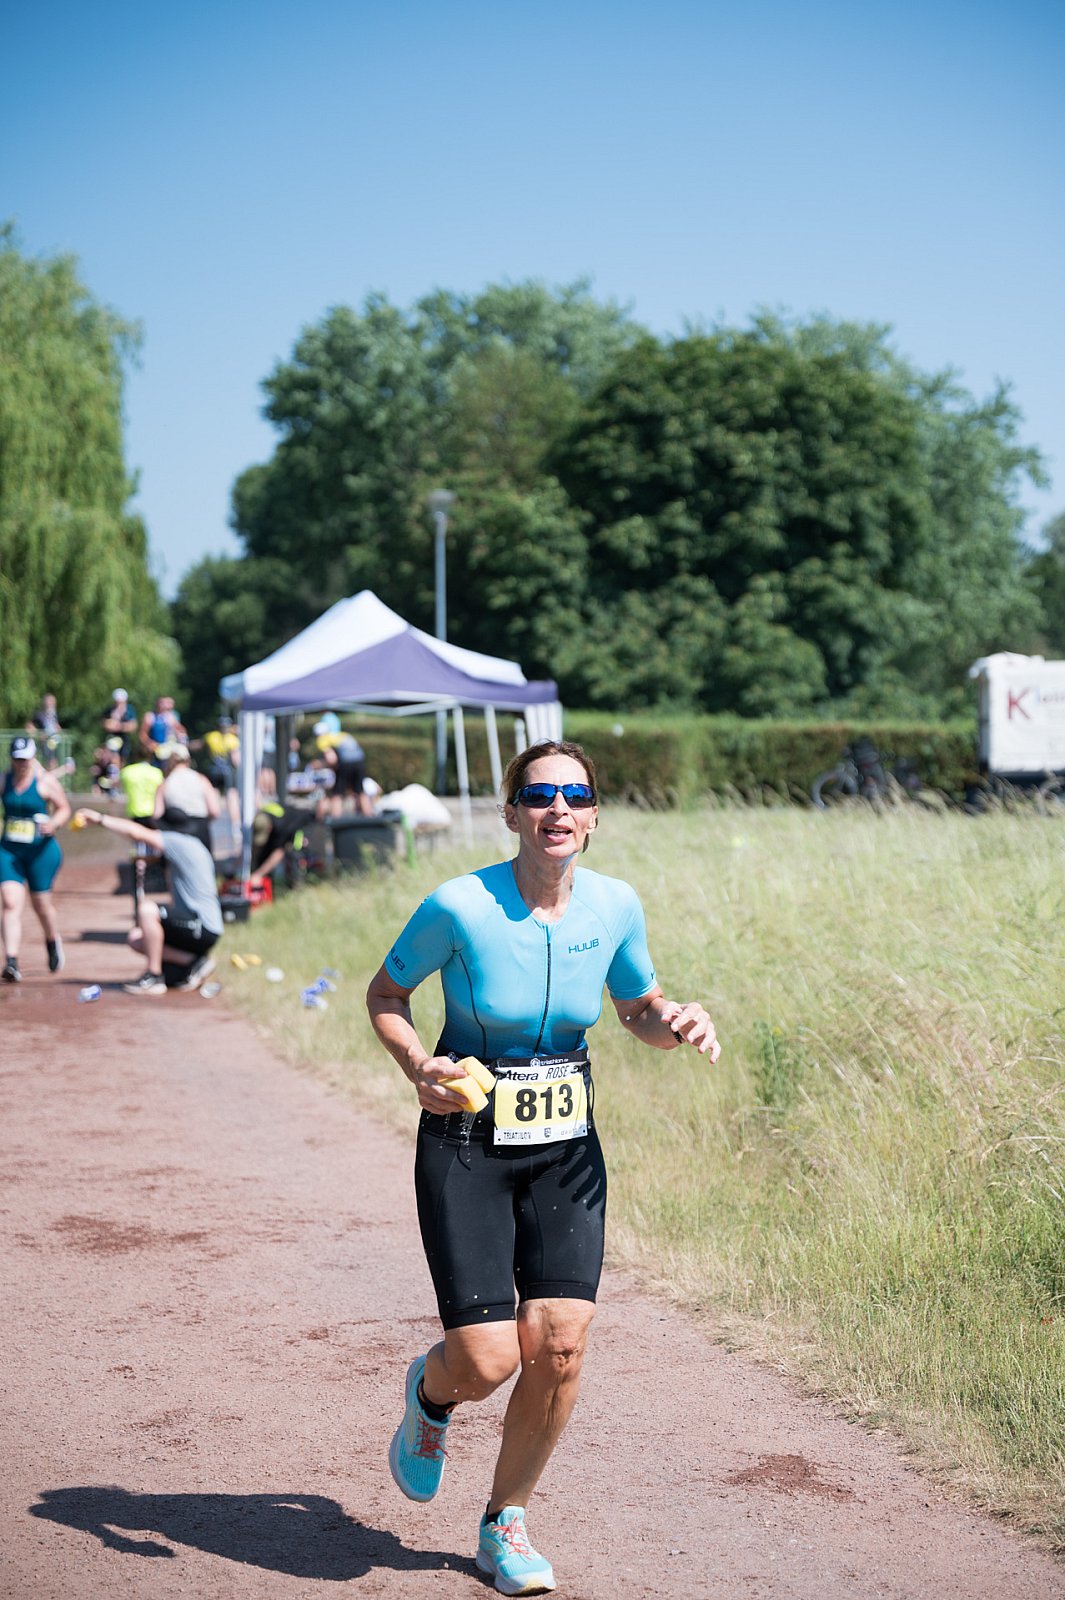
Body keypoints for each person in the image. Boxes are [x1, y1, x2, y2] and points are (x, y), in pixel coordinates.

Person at [364, 739, 720, 1595]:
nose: (557, 807)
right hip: (466, 1142)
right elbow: (385, 995)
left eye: (575, 795)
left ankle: (505, 1523)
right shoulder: (458, 905)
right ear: (511, 812)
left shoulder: (615, 904)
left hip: (565, 1147)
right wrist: (418, 1067)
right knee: (486, 1361)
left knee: (559, 1345)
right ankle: (432, 1396)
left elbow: (635, 1009)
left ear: (593, 816)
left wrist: (673, 1022)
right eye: (538, 794)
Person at [74, 806, 223, 995]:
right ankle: (193, 961)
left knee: (147, 910)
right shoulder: (194, 845)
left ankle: (154, 977)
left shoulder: (178, 842)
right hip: (199, 926)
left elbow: (136, 833)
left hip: (203, 926)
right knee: (137, 938)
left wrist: (100, 819)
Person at [1, 735, 72, 982]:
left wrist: (53, 823)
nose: (21, 764)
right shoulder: (4, 780)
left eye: (25, 759)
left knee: (41, 904)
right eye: (17, 759)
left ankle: (52, 940)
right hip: (9, 851)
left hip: (41, 852)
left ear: (33, 758)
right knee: (10, 902)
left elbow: (64, 808)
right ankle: (11, 961)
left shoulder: (44, 781)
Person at [152, 744, 219, 853]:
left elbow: (156, 815)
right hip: (201, 830)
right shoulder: (201, 779)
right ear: (188, 760)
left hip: (176, 832)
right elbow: (214, 811)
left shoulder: (165, 783)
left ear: (170, 761)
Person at [314, 721, 372, 816]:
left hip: (346, 763)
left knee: (337, 793)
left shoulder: (322, 740)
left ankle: (335, 819)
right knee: (360, 790)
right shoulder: (342, 735)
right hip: (360, 762)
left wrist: (322, 765)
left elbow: (331, 759)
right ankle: (369, 816)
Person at [203, 715, 241, 825]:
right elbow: (235, 760)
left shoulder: (211, 737)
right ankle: (235, 823)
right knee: (232, 795)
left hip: (214, 771)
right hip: (228, 772)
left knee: (215, 794)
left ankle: (214, 821)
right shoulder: (233, 740)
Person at [140, 696, 187, 765]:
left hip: (167, 749)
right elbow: (142, 734)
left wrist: (180, 738)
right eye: (162, 703)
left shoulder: (171, 717)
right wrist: (149, 743)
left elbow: (181, 731)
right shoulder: (150, 716)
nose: (164, 705)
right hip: (154, 750)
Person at [27, 693, 64, 770]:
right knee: (48, 764)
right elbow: (29, 727)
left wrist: (59, 731)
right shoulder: (39, 715)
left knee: (54, 763)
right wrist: (39, 735)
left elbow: (56, 727)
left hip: (54, 743)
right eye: (50, 702)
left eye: (53, 702)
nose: (52, 704)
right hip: (43, 744)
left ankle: (49, 776)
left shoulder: (53, 715)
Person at [101, 688, 139, 757]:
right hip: (110, 738)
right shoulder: (110, 710)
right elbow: (105, 724)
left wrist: (119, 726)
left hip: (125, 740)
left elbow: (133, 726)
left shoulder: (129, 711)